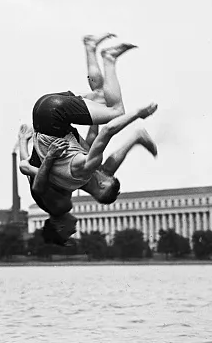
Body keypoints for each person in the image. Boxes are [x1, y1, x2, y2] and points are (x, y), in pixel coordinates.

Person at [20, 34, 159, 244]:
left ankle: (109, 57)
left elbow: (34, 179)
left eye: (68, 233)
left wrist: (43, 157)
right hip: (46, 114)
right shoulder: (66, 186)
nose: (74, 230)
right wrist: (24, 143)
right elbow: (29, 168)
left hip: (53, 118)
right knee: (102, 95)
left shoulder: (59, 205)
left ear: (58, 226)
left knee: (116, 110)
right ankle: (90, 47)